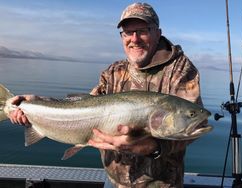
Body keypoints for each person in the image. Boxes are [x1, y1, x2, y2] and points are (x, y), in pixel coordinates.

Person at [8, 2, 203, 188]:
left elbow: (190, 128)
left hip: (160, 183)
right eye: (128, 32)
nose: (134, 39)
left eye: (142, 31)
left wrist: (152, 147)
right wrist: (35, 103)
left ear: (158, 33)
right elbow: (81, 105)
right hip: (114, 179)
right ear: (122, 37)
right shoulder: (113, 71)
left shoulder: (181, 70)